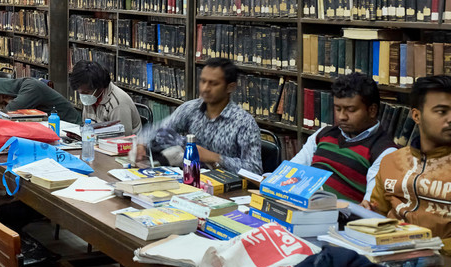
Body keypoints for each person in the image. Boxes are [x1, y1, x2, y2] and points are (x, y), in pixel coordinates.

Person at [368, 75, 451, 267]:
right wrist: (366, 216)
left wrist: (427, 245)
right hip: (389, 260)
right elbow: (377, 215)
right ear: (416, 116)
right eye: (442, 111)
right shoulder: (391, 161)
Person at [134, 58, 262, 175]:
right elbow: (158, 128)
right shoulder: (191, 108)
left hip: (224, 188)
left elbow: (254, 170)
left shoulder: (244, 123)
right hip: (189, 179)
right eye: (203, 81)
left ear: (230, 87)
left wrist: (216, 158)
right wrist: (142, 144)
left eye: (214, 84)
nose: (205, 88)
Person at [290, 72, 396, 202]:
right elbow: (292, 170)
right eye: (338, 109)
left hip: (342, 218)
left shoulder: (384, 152)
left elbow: (369, 205)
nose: (342, 117)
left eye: (350, 110)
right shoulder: (323, 134)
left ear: (372, 110)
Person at [68, 60, 141, 135]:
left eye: (86, 92)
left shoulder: (118, 104)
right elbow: (87, 128)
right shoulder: (91, 97)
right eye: (79, 92)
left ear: (100, 87)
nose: (83, 96)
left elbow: (123, 138)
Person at [0, 77, 80, 124]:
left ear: (6, 88)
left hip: (71, 125)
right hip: (52, 125)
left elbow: (12, 109)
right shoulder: (21, 87)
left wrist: (4, 108)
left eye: (5, 96)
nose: (6, 100)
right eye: (2, 102)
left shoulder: (31, 86)